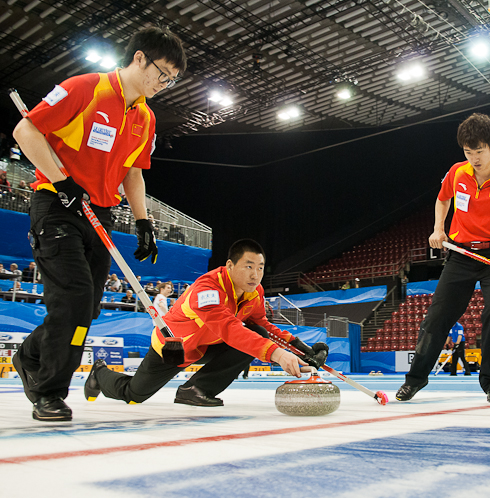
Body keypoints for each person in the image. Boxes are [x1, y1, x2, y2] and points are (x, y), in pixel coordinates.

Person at [11, 26, 187, 422]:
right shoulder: (84, 88)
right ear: (139, 57)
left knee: (86, 309)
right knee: (72, 297)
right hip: (57, 204)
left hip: (99, 215)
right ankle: (49, 390)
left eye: (172, 79)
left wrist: (144, 223)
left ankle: (30, 355)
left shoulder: (145, 117)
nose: (164, 83)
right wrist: (61, 181)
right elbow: (26, 130)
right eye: (162, 73)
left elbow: (134, 174)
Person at [396, 113, 490, 403]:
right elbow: (442, 198)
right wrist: (438, 228)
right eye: (468, 152)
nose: (474, 158)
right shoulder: (457, 172)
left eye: (479, 151)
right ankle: (414, 380)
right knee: (437, 317)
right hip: (461, 256)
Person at [84, 239, 328, 407]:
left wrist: (301, 349)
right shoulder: (207, 290)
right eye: (249, 267)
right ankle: (100, 373)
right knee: (134, 395)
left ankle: (196, 389)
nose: (255, 275)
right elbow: (229, 329)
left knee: (259, 332)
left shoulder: (255, 291)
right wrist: (278, 355)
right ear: (230, 266)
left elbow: (264, 326)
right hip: (174, 349)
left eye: (261, 268)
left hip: (210, 345)